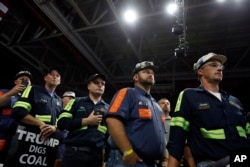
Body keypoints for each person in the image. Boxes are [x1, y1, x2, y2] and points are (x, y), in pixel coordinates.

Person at [167, 53, 250, 167]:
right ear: (200, 71)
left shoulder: (235, 101)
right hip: (213, 162)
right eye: (214, 65)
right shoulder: (189, 95)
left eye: (221, 66)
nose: (220, 68)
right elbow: (177, 137)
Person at [105, 61, 168, 167]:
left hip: (152, 163)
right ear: (135, 77)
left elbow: (161, 133)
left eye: (152, 72)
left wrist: (164, 155)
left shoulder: (156, 105)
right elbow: (112, 120)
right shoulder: (127, 92)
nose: (150, 74)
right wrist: (128, 151)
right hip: (128, 160)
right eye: (145, 71)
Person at [6, 66, 63, 167]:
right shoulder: (32, 89)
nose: (55, 77)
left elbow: (61, 123)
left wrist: (54, 128)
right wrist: (40, 124)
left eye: (57, 76)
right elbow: (18, 111)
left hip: (48, 145)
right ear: (45, 78)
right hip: (26, 140)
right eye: (52, 74)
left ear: (59, 81)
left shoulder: (59, 100)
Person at [57, 73, 109, 167]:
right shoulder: (75, 102)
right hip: (74, 154)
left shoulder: (109, 109)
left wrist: (106, 159)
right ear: (89, 86)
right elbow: (61, 122)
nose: (100, 85)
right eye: (96, 82)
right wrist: (87, 121)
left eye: (103, 83)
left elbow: (109, 135)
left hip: (96, 157)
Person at [0, 70, 32, 165]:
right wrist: (11, 93)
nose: (25, 81)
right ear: (15, 82)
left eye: (28, 80)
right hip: (3, 133)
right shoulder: (4, 92)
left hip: (21, 137)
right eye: (22, 79)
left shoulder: (32, 99)